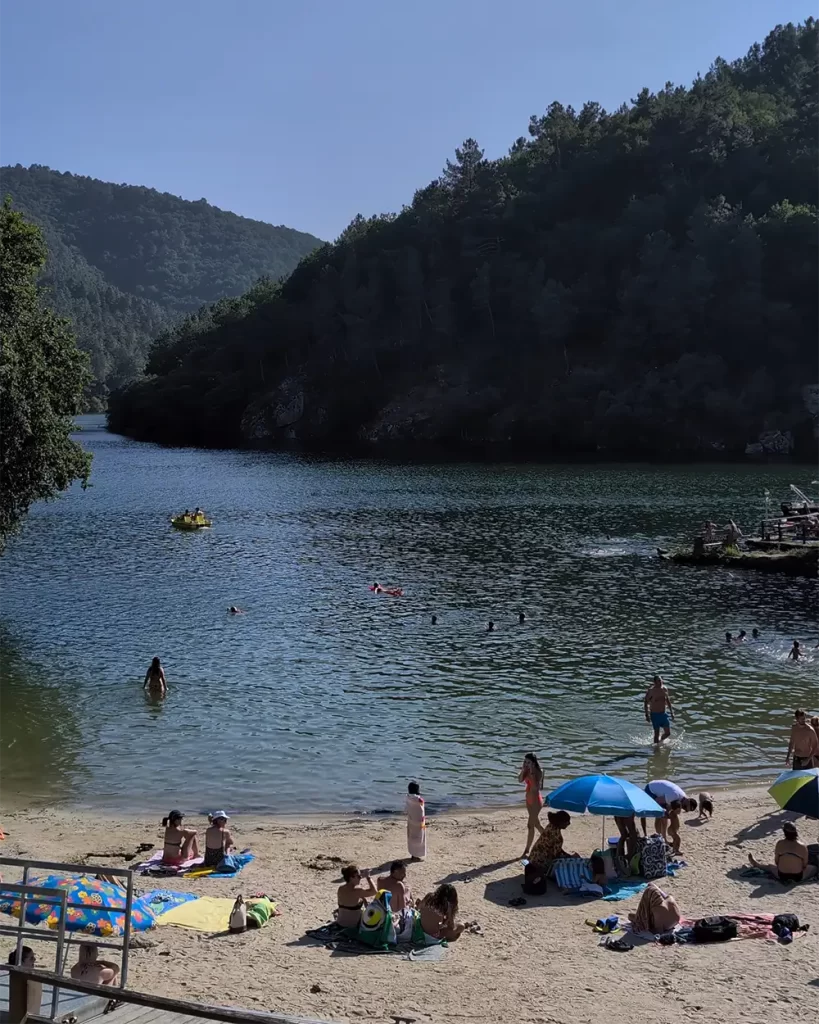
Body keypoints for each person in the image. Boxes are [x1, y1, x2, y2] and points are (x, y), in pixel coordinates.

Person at [748, 821, 818, 884]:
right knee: (815, 868)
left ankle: (757, 865)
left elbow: (776, 861)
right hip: (798, 876)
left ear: (784, 833)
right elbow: (805, 864)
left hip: (781, 875)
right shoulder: (802, 846)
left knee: (770, 867)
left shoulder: (780, 844)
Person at [518, 752, 545, 858]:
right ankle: (548, 838)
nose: (526, 764)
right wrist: (523, 770)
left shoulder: (539, 772)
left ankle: (527, 850)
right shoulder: (526, 771)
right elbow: (520, 780)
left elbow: (536, 786)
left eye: (528, 762)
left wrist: (532, 772)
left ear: (533, 763)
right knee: (536, 824)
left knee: (530, 825)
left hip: (536, 801)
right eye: (525, 762)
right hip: (528, 799)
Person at [336, 864, 377, 929]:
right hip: (352, 926)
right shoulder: (357, 891)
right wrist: (368, 877)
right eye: (358, 876)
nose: (360, 878)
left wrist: (363, 898)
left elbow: (350, 898)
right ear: (351, 877)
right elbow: (374, 891)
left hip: (340, 923)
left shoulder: (340, 888)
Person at [644, 675, 675, 744]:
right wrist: (647, 715)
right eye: (658, 681)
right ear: (654, 682)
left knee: (668, 733)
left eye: (661, 680)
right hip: (655, 715)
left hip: (663, 714)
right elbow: (646, 702)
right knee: (656, 734)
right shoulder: (651, 691)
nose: (660, 682)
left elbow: (667, 700)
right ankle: (656, 750)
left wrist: (672, 712)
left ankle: (661, 741)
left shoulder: (664, 689)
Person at [406, 781, 426, 861]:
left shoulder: (408, 797)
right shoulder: (419, 799)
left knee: (411, 837)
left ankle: (412, 854)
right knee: (419, 838)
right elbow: (421, 810)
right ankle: (416, 856)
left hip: (411, 820)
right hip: (419, 821)